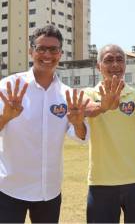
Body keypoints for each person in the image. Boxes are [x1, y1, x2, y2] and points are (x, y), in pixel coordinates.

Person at [0, 25, 89, 223]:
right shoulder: (9, 87)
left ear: (60, 54)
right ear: (31, 51)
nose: (47, 54)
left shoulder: (67, 94)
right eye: (41, 48)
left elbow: (82, 137)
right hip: (10, 188)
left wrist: (78, 123)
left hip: (49, 191)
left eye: (53, 49)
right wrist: (6, 117)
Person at [83, 44, 135, 223]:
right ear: (98, 66)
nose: (115, 64)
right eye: (108, 60)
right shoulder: (90, 93)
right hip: (101, 183)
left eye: (119, 59)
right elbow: (87, 110)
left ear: (125, 65)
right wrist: (103, 106)